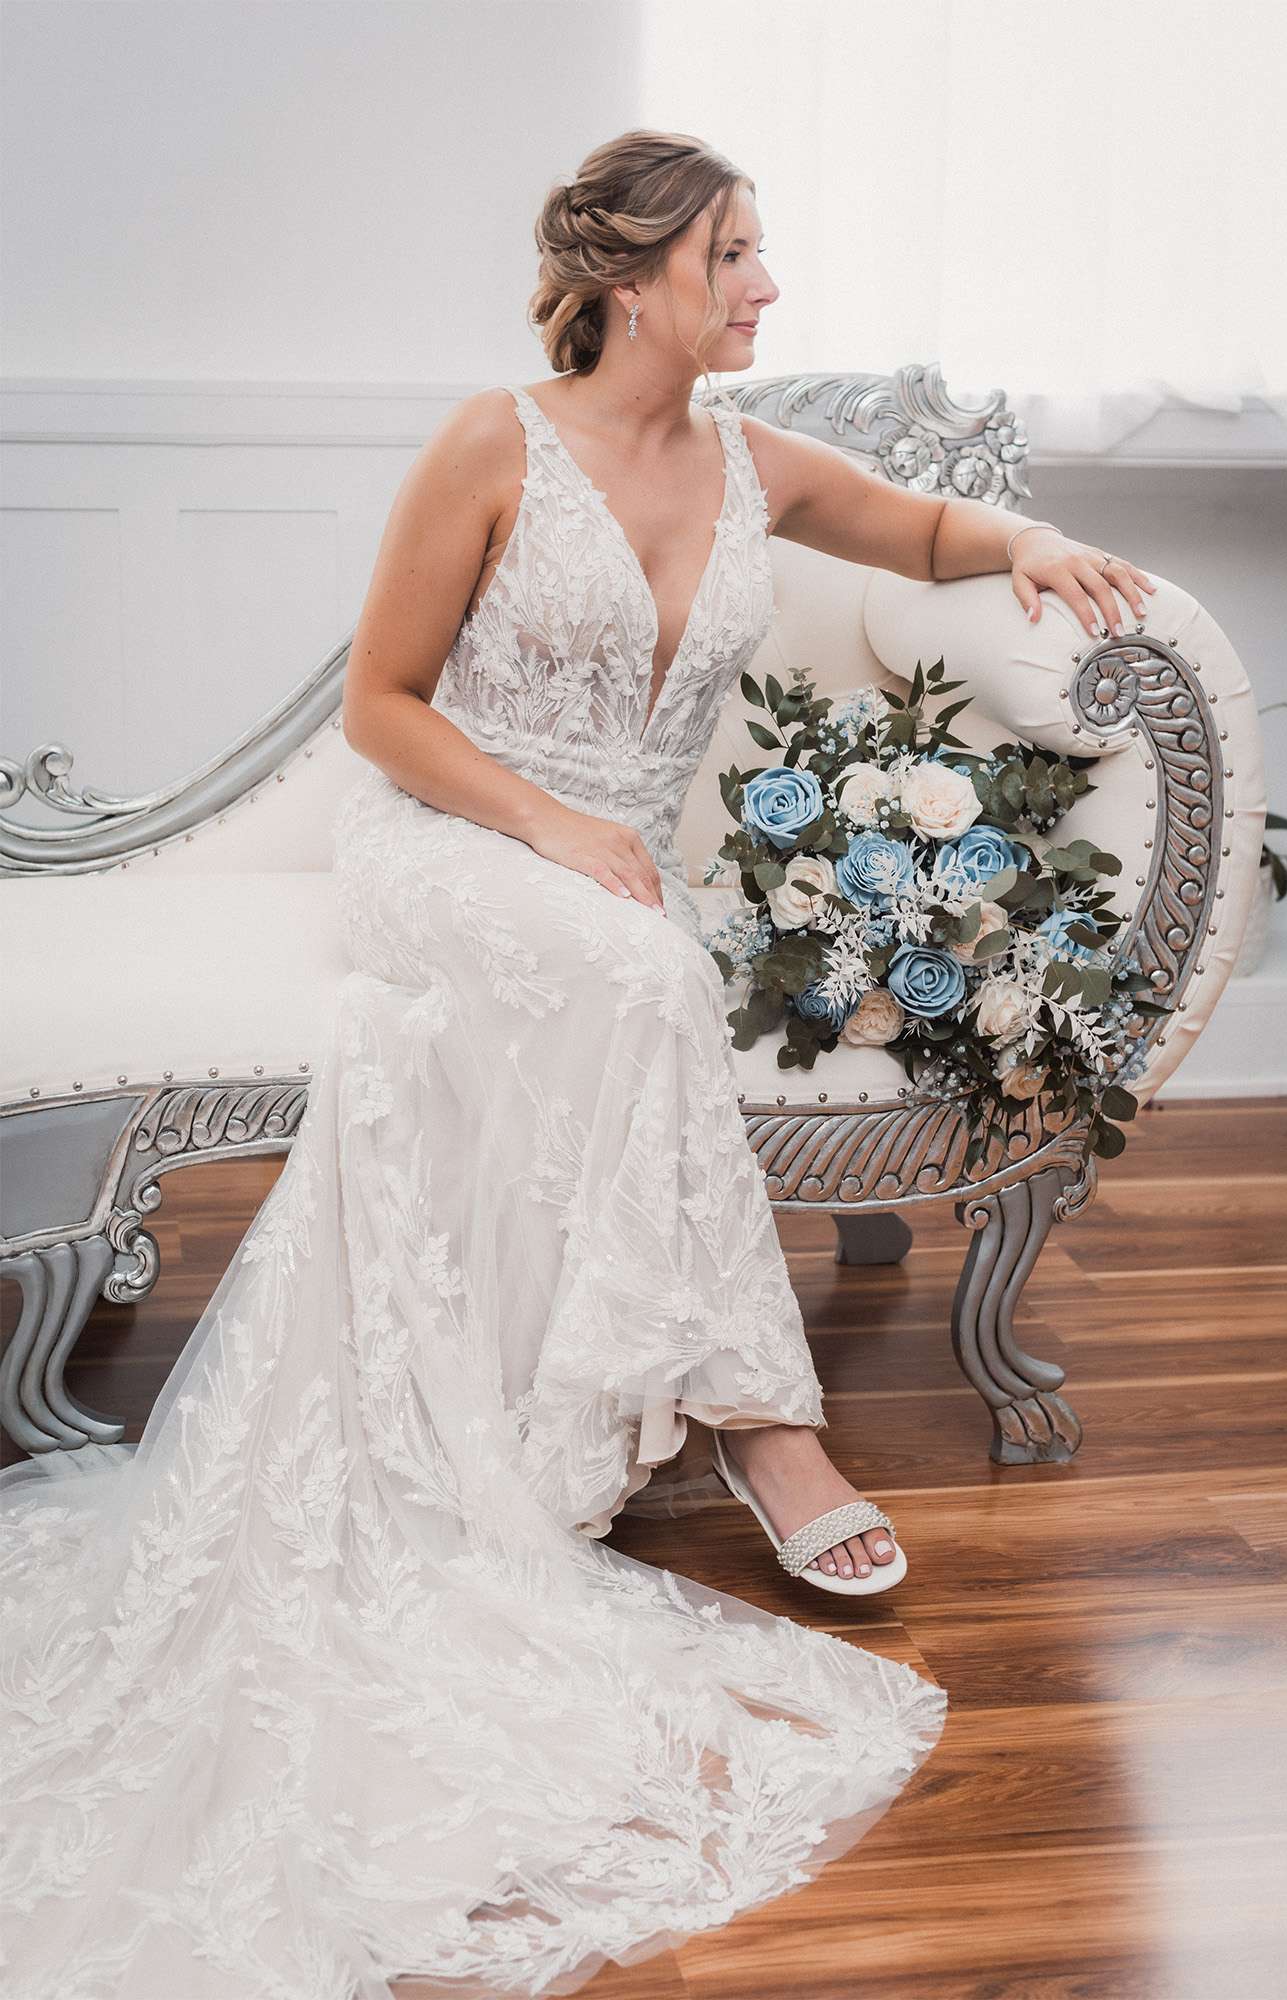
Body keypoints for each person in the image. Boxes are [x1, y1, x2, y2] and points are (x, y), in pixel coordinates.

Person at [7, 120, 1174, 1996]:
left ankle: (623, 1384)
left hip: (613, 880)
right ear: (630, 282)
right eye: (733, 257)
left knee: (637, 966)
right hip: (454, 842)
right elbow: (384, 706)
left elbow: (919, 531)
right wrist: (546, 824)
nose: (767, 286)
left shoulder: (750, 461)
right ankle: (759, 1423)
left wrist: (1032, 542)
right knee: (641, 977)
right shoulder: (492, 443)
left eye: (761, 253)